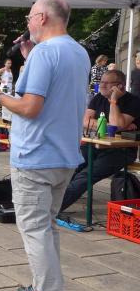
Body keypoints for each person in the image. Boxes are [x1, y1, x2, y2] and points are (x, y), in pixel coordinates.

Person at [0, 0, 89, 291]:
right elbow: (56, 92)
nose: (27, 22)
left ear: (42, 17)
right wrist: (31, 58)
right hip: (63, 155)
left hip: (35, 156)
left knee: (35, 231)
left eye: (30, 16)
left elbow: (30, 107)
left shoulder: (45, 53)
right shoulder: (78, 52)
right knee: (47, 228)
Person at [58, 69, 140, 212]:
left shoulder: (134, 101)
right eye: (101, 81)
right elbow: (86, 121)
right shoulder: (98, 98)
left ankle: (52, 210)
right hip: (96, 145)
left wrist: (113, 102)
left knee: (85, 176)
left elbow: (117, 124)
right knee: (69, 168)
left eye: (107, 83)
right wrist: (112, 126)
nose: (102, 85)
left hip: (121, 150)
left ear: (119, 86)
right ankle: (49, 203)